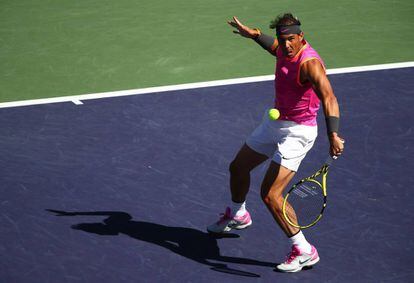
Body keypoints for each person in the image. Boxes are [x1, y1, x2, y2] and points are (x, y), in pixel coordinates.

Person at [207, 13, 345, 273]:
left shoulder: (310, 64)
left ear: (301, 37)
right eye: (283, 40)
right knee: (238, 168)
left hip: (298, 132)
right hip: (275, 122)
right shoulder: (282, 47)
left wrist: (333, 134)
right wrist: (256, 35)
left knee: (271, 195)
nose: (287, 45)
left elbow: (329, 97)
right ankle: (238, 214)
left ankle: (304, 250)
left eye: (292, 39)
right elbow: (273, 47)